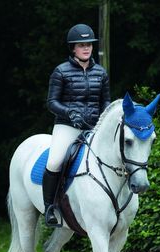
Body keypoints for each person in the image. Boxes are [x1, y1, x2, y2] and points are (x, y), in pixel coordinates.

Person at [43, 23, 111, 225]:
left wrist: (103, 119)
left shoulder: (101, 72)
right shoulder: (61, 72)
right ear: (73, 48)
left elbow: (105, 101)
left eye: (89, 44)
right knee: (55, 161)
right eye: (81, 45)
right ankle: (50, 208)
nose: (86, 48)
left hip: (93, 127)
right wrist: (69, 112)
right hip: (67, 125)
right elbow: (51, 102)